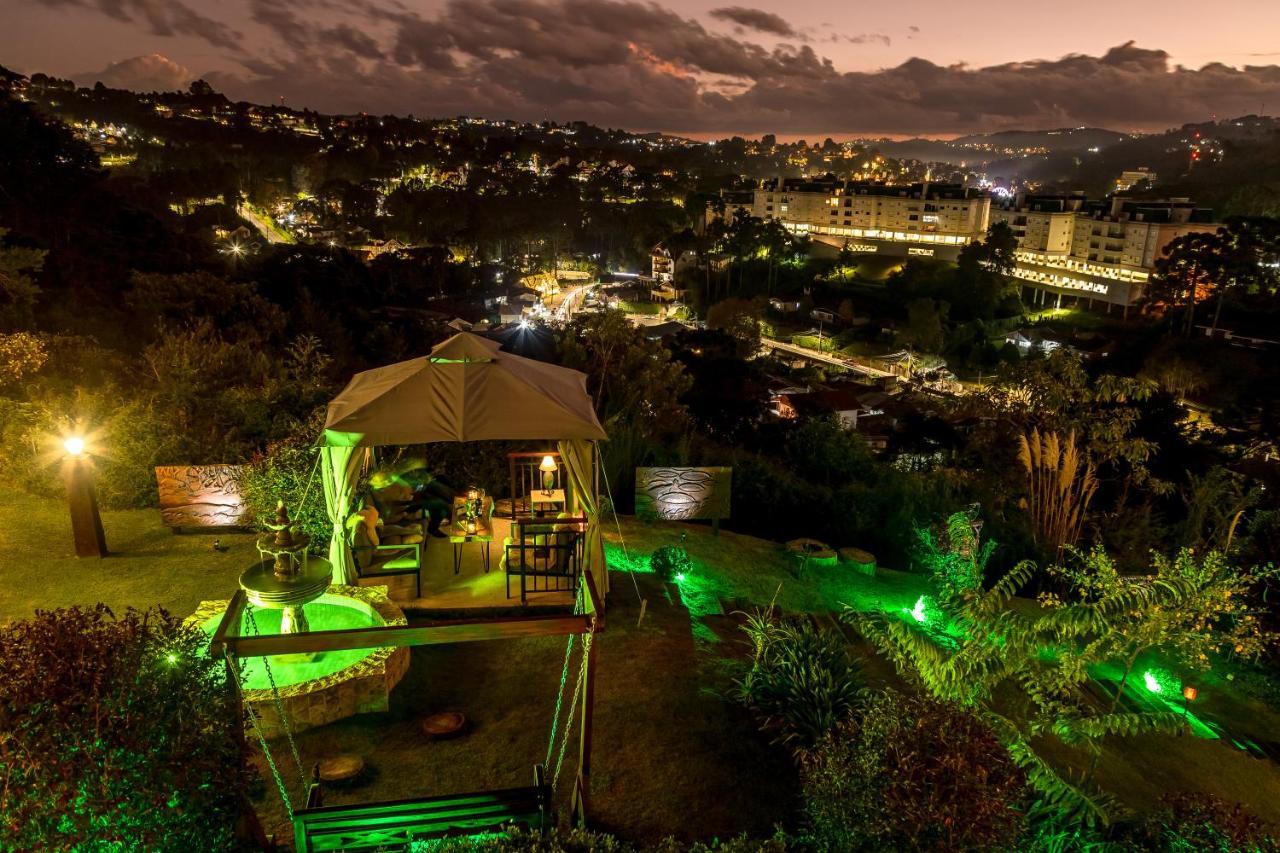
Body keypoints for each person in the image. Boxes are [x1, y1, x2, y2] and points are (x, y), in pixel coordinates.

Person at [368, 460, 455, 538]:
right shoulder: (379, 500)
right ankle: (446, 516)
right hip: (406, 506)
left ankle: (443, 518)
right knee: (439, 503)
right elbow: (391, 512)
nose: (386, 481)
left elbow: (399, 494)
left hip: (410, 501)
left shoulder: (382, 490)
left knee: (439, 502)